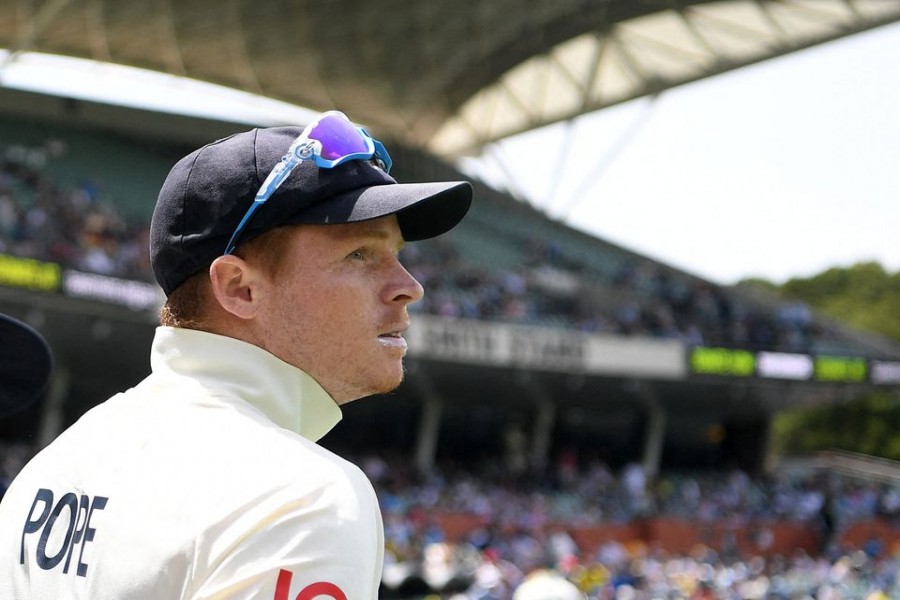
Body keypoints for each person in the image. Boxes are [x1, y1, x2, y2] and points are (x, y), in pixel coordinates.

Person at [0, 110, 472, 599]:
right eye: (360, 255)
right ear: (239, 288)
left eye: (399, 255)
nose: (409, 287)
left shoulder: (57, 461)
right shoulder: (305, 498)